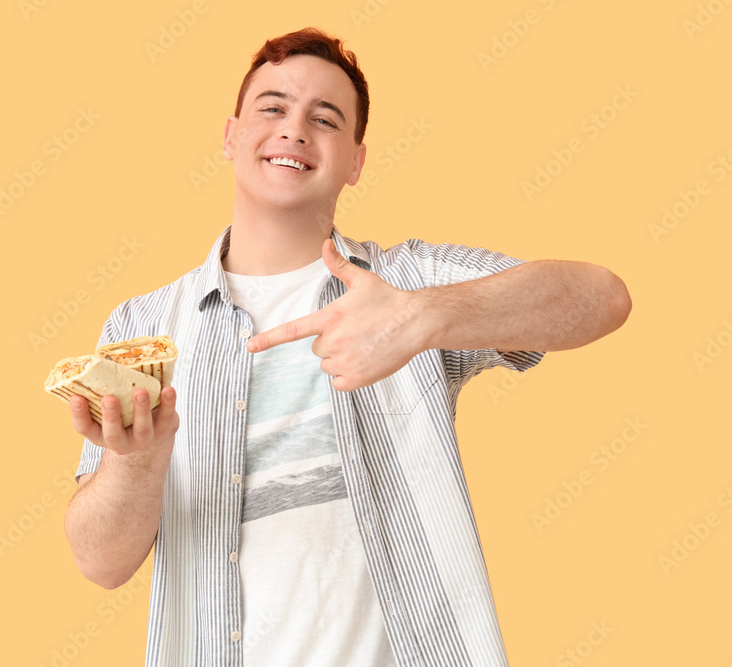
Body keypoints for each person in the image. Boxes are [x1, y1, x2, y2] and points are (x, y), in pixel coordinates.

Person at [63, 27, 630, 667]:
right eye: (272, 107)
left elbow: (601, 298)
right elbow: (99, 562)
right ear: (230, 136)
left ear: (356, 161)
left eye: (324, 118)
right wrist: (137, 464)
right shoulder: (142, 328)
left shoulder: (408, 282)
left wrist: (423, 317)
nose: (294, 130)